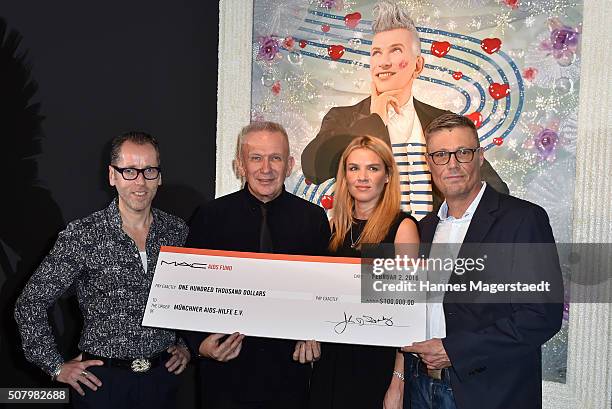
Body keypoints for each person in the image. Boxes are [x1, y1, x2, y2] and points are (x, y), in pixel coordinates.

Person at [14, 132, 191, 409]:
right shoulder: (83, 235)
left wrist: (185, 345)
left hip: (162, 381)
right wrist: (54, 366)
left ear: (159, 176)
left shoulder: (177, 231)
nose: (140, 182)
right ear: (113, 176)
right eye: (129, 171)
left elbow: (189, 297)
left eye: (149, 171)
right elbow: (30, 303)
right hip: (103, 385)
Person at [401, 113, 563, 409]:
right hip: (420, 387)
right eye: (440, 155)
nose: (452, 164)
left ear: (479, 157)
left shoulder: (523, 219)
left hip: (487, 394)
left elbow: (542, 315)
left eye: (462, 152)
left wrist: (455, 351)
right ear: (429, 163)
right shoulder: (422, 229)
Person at [301, 0, 508, 219]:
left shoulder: (445, 121)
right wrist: (375, 119)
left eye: (395, 51)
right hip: (370, 247)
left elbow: (495, 189)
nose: (383, 62)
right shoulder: (343, 117)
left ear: (418, 65)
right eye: (376, 53)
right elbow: (314, 169)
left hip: (436, 246)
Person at [183, 121, 331, 409]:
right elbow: (187, 290)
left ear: (289, 165)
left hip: (290, 374)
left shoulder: (313, 219)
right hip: (224, 375)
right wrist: (199, 345)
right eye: (256, 158)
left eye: (275, 158)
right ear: (240, 165)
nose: (266, 169)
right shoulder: (210, 216)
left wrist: (317, 333)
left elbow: (326, 291)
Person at [308, 135, 419, 409]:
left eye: (373, 168)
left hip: (377, 363)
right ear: (344, 176)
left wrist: (398, 381)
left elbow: (408, 312)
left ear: (387, 176)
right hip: (331, 360)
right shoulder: (332, 229)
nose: (362, 177)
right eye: (354, 168)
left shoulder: (402, 228)